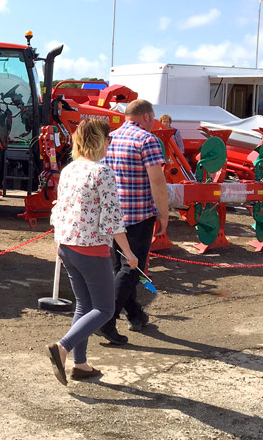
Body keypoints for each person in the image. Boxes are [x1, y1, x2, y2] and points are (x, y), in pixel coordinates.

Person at [46, 118, 138, 385]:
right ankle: (62, 348)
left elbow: (60, 208)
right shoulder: (103, 172)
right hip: (91, 248)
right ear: (100, 140)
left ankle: (81, 364)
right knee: (105, 308)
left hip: (67, 245)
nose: (110, 144)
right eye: (108, 139)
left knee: (85, 305)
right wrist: (129, 253)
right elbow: (112, 218)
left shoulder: (69, 170)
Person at [100, 99, 169, 344]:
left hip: (111, 215)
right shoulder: (147, 140)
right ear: (148, 117)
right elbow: (157, 182)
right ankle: (106, 320)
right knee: (132, 269)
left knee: (119, 269)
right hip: (138, 216)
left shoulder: (109, 139)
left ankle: (136, 314)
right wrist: (164, 214)